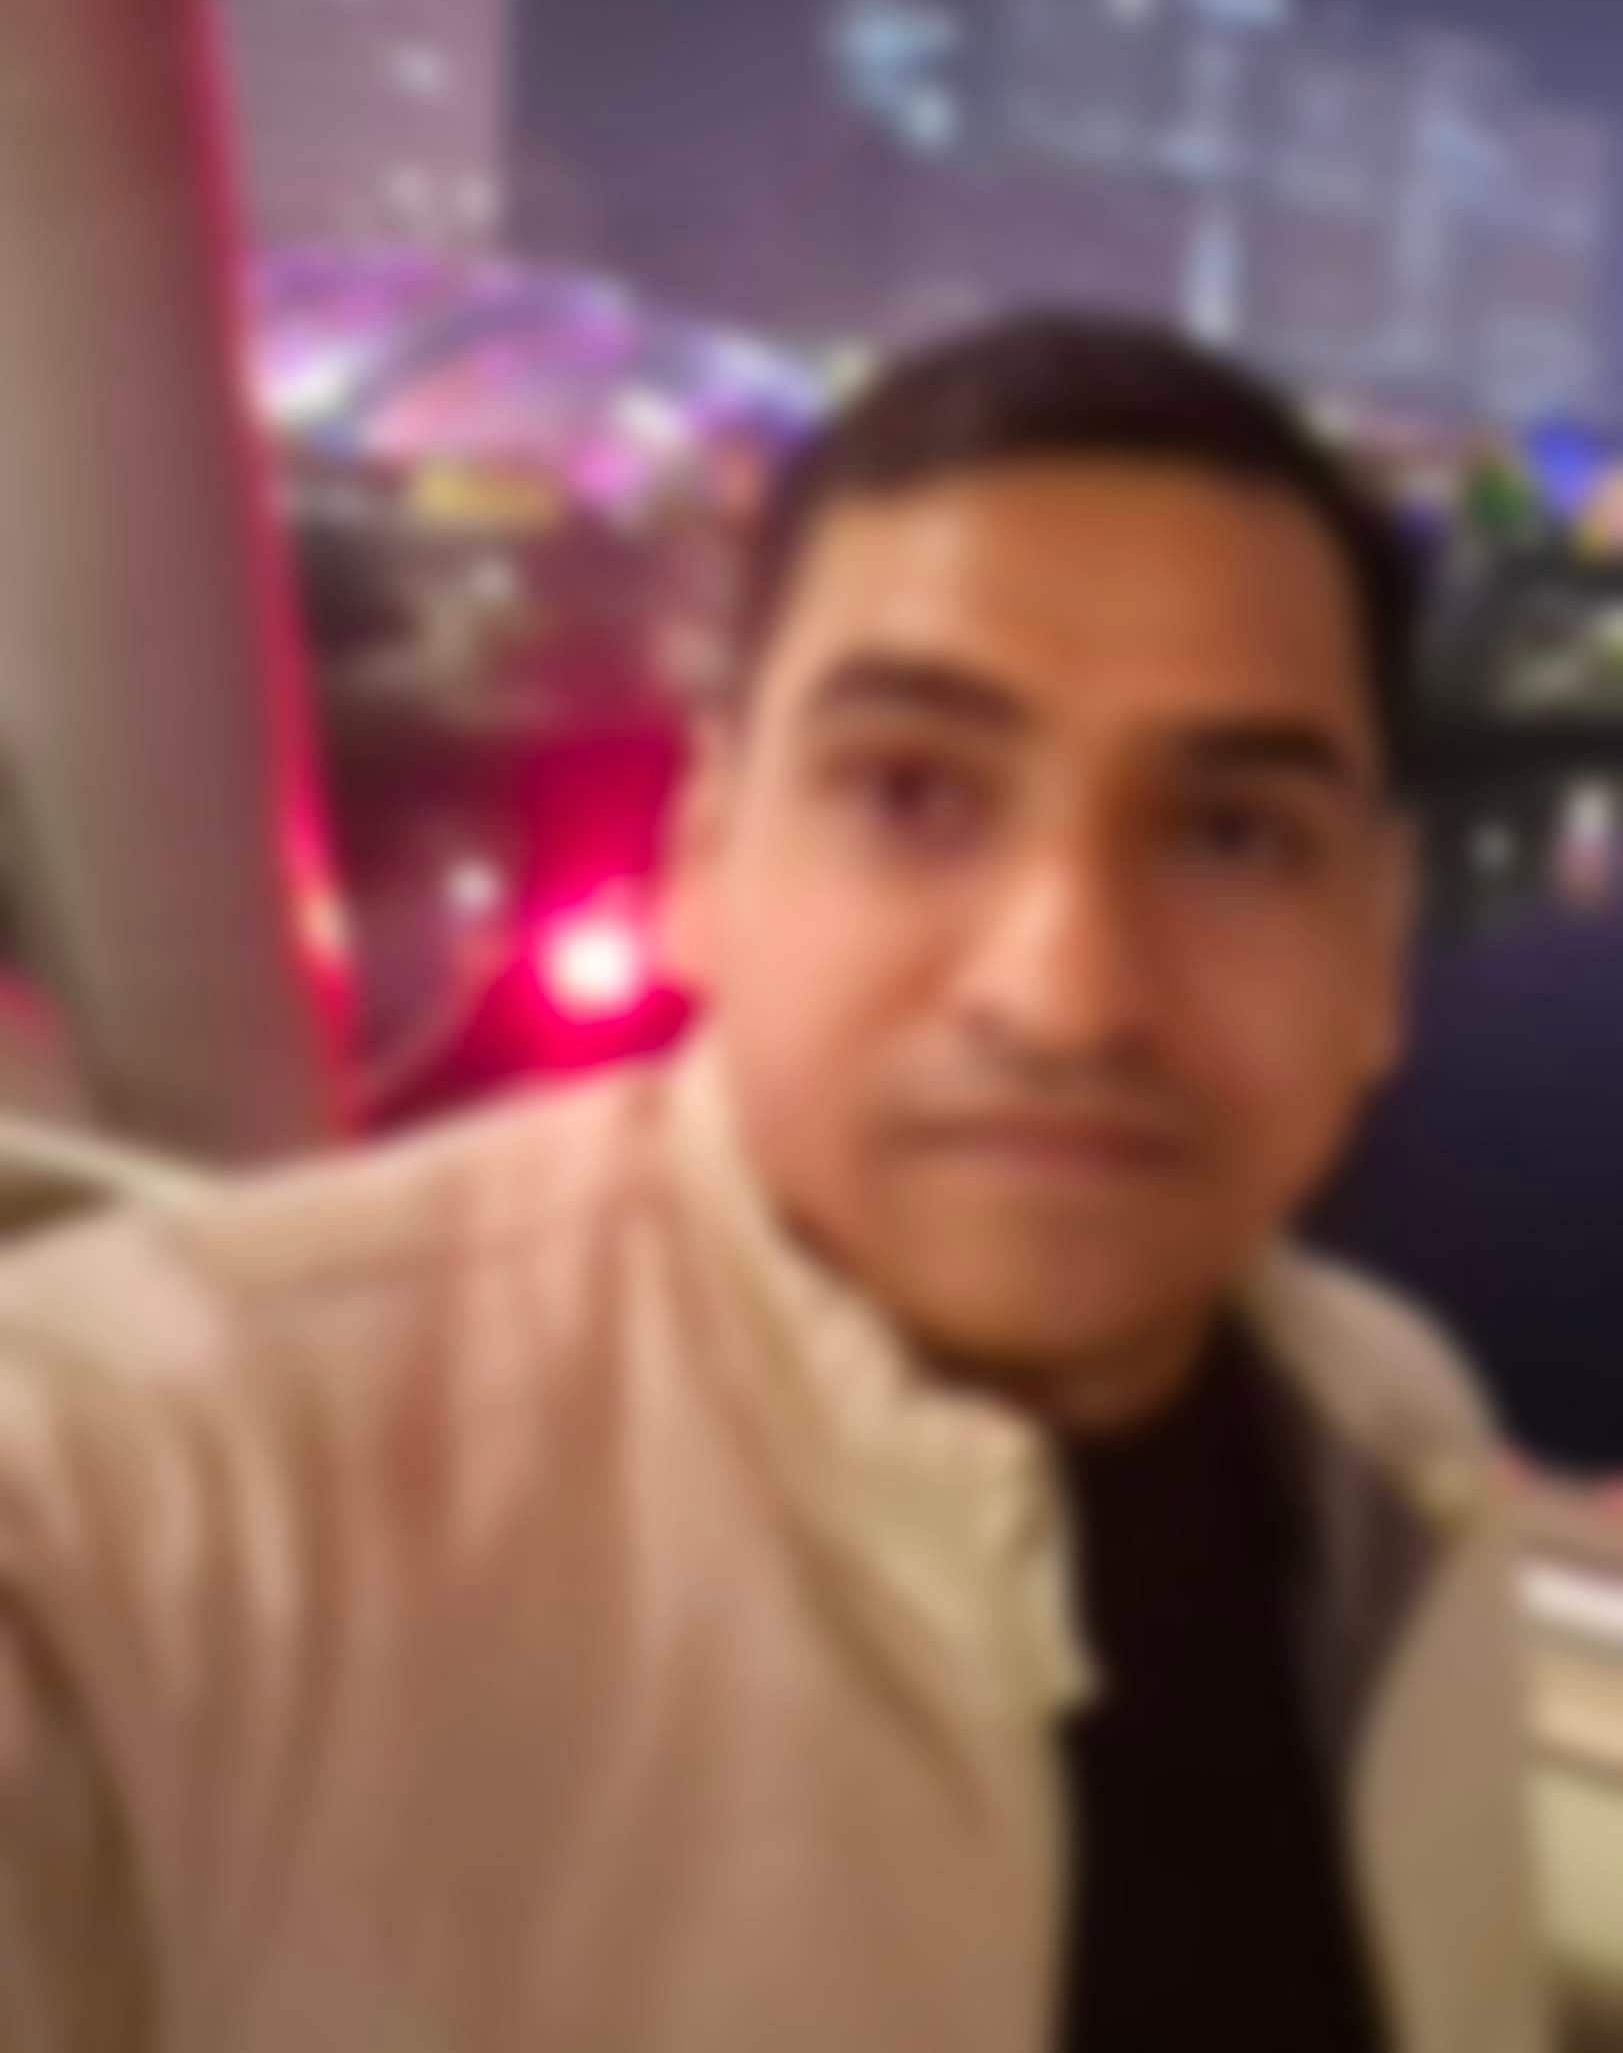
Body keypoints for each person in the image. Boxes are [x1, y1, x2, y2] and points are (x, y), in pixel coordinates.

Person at [0, 317, 1543, 2053]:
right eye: (913, 793)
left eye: (1234, 835)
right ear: (703, 855)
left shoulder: (1390, 1452)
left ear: (1376, 950)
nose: (1067, 992)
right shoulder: (136, 1513)